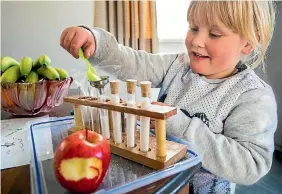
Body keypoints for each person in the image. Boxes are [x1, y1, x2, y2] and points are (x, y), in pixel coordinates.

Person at [60, 1, 277, 193]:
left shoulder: (252, 95)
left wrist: (176, 124)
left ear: (248, 43)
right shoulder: (178, 65)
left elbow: (251, 164)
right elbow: (134, 62)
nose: (196, 41)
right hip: (158, 182)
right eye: (193, 28)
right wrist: (97, 43)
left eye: (214, 34)